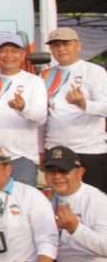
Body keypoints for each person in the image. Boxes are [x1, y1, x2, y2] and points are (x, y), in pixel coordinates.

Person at [43, 27, 107, 192]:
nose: (61, 49)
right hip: (56, 150)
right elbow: (42, 117)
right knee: (61, 202)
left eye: (66, 44)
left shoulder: (95, 72)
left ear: (78, 45)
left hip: (89, 150)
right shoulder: (45, 76)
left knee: (94, 201)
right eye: (56, 45)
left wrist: (84, 104)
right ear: (50, 49)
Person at [0, 35, 47, 187]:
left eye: (14, 51)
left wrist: (23, 108)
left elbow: (41, 118)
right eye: (4, 51)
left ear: (23, 55)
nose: (9, 55)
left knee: (21, 206)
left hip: (22, 158)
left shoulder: (34, 81)